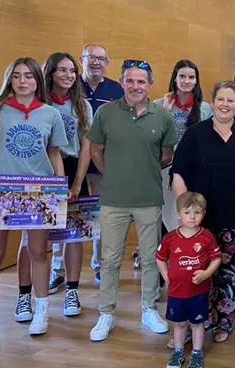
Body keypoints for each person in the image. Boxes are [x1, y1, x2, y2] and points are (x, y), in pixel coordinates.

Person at [0, 57, 68, 345]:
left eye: (29, 76)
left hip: (39, 192)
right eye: (17, 76)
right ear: (9, 80)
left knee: (38, 251)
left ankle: (41, 311)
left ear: (38, 81)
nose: (23, 81)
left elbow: (54, 152)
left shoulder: (50, 114)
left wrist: (60, 184)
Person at [172, 80, 235, 344]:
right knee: (199, 271)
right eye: (221, 99)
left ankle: (223, 322)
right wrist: (184, 209)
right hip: (202, 220)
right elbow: (179, 173)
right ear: (212, 103)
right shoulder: (195, 134)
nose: (225, 104)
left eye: (230, 100)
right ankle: (199, 319)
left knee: (232, 274)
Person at [87, 59, 178, 342]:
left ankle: (149, 309)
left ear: (150, 85)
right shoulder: (106, 113)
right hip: (113, 199)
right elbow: (96, 152)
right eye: (130, 80)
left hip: (149, 198)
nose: (135, 86)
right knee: (110, 258)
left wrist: (141, 173)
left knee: (151, 258)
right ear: (122, 81)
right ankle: (106, 314)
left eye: (141, 81)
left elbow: (166, 155)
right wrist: (116, 175)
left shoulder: (162, 116)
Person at [14, 52, 94, 323]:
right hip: (40, 173)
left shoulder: (82, 105)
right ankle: (25, 295)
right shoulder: (38, 103)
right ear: (49, 73)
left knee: (73, 235)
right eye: (62, 70)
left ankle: (72, 290)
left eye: (72, 71)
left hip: (71, 171)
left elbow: (85, 147)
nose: (68, 75)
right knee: (31, 237)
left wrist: (78, 182)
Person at [144, 60, 213, 270]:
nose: (186, 81)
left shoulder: (205, 108)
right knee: (170, 218)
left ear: (196, 81)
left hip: (195, 171)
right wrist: (164, 111)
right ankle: (169, 266)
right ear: (174, 78)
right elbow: (150, 138)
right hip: (166, 170)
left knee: (191, 216)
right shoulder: (157, 105)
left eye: (191, 77)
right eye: (182, 76)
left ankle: (192, 263)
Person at [156, 192, 221, 368]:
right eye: (187, 212)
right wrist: (167, 277)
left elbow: (216, 258)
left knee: (197, 323)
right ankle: (178, 352)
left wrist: (206, 273)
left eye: (197, 212)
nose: (192, 217)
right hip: (176, 291)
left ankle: (197, 353)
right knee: (180, 324)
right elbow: (160, 258)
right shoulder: (170, 238)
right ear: (178, 214)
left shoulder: (206, 237)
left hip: (198, 291)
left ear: (204, 214)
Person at [79, 43, 124, 283]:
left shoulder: (116, 90)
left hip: (103, 165)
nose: (96, 62)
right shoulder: (70, 86)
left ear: (107, 63)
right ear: (81, 59)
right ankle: (59, 270)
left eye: (101, 58)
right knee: (64, 217)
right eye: (91, 57)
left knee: (102, 217)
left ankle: (100, 266)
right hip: (71, 164)